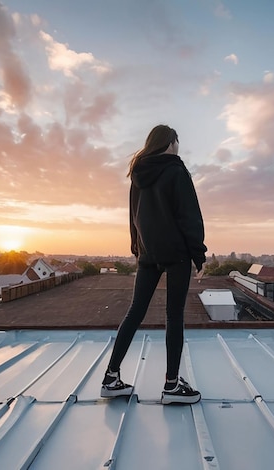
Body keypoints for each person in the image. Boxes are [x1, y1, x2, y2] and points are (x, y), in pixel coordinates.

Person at [101, 124, 207, 405]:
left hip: (147, 254)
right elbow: (189, 216)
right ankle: (171, 386)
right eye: (177, 141)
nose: (178, 147)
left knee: (135, 312)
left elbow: (133, 216)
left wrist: (137, 248)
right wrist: (199, 255)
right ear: (171, 142)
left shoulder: (138, 173)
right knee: (174, 317)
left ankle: (111, 378)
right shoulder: (176, 170)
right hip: (177, 254)